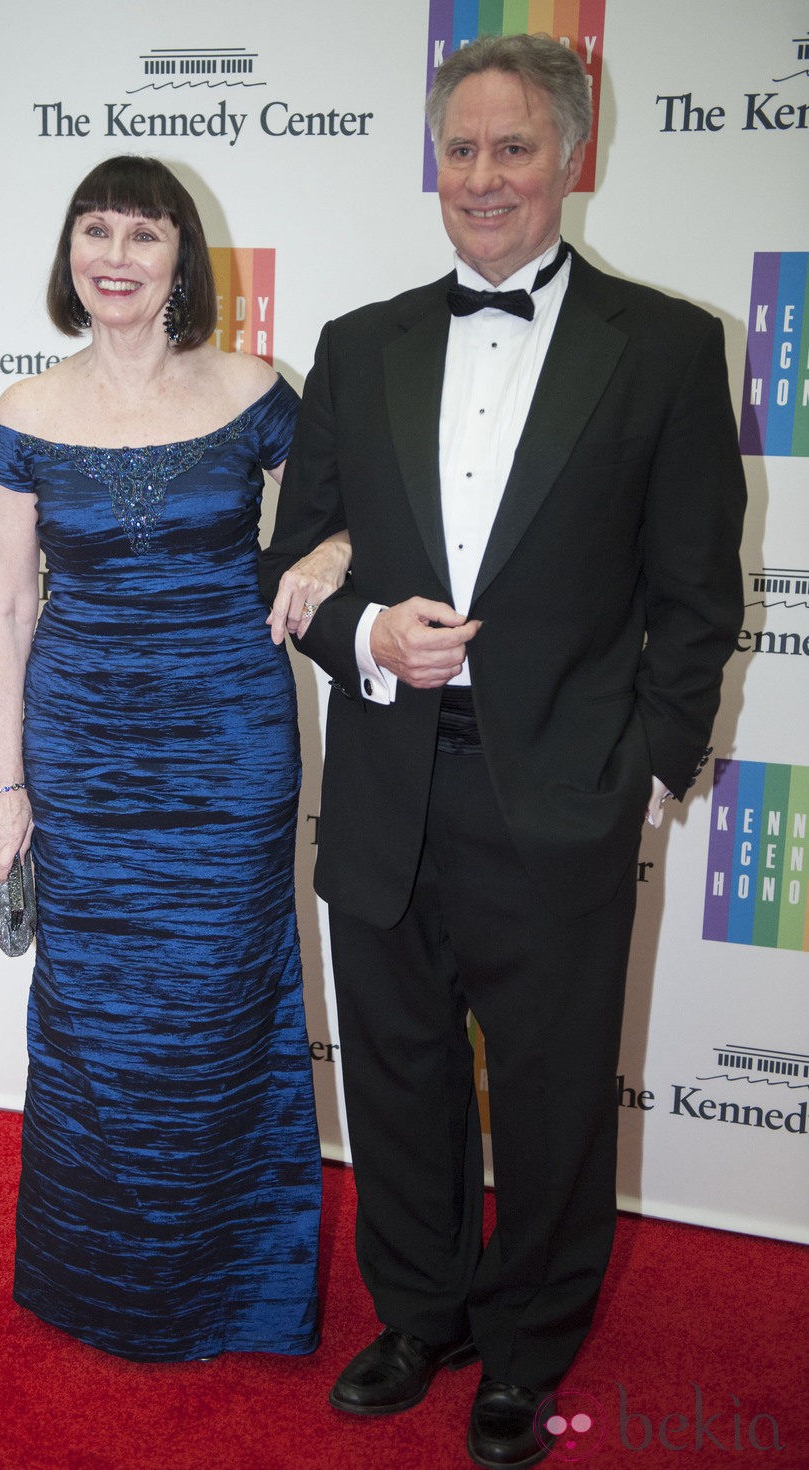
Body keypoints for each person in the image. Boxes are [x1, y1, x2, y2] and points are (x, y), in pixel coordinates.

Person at [261, 34, 745, 1469]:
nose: (483, 178)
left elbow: (698, 598)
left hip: (562, 797)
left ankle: (527, 1348)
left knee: (547, 1095)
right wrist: (365, 635)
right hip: (390, 780)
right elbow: (297, 564)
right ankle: (419, 1312)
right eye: (460, 150)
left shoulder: (663, 345)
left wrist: (645, 771)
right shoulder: (360, 344)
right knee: (400, 1070)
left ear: (570, 159)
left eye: (513, 147)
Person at [0, 154, 349, 1363]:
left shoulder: (254, 391)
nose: (117, 257)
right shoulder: (24, 413)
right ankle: (106, 1284)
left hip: (229, 751)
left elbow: (347, 510)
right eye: (96, 231)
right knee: (92, 1020)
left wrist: (327, 556)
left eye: (144, 234)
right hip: (83, 754)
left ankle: (236, 1286)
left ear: (183, 256)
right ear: (68, 254)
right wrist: (3, 782)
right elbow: (4, 608)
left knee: (225, 1006)